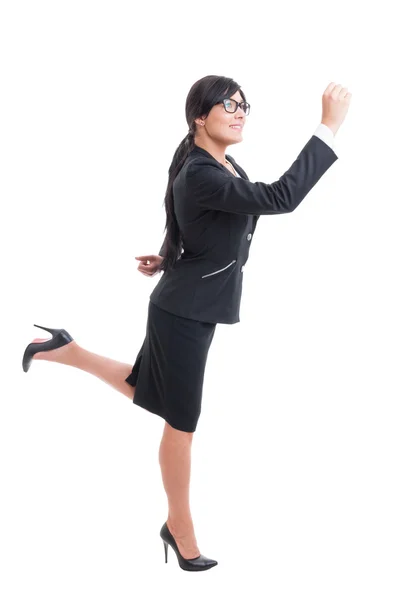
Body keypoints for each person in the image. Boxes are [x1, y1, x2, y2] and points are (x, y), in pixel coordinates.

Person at [21, 76, 351, 571]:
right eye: (229, 104)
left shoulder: (217, 162)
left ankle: (64, 349)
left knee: (148, 388)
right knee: (182, 422)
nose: (240, 112)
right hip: (184, 312)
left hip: (191, 300)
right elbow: (281, 197)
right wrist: (327, 128)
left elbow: (200, 223)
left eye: (245, 105)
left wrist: (170, 259)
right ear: (201, 115)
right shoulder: (200, 171)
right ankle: (180, 527)